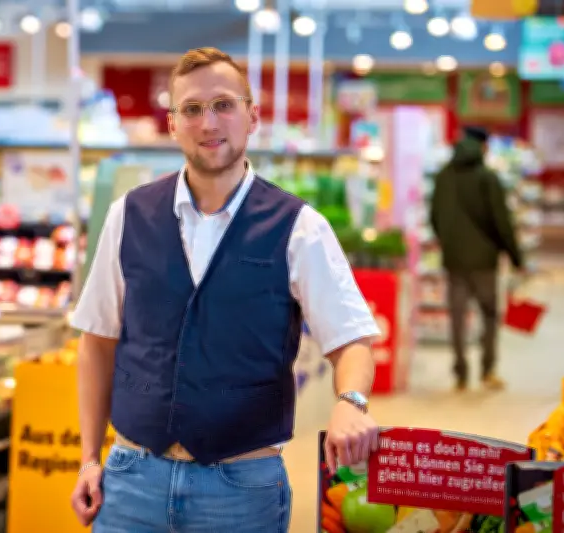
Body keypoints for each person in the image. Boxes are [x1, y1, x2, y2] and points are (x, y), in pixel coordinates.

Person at [69, 47, 381, 532]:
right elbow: (97, 341)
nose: (208, 122)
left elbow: (352, 339)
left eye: (223, 105)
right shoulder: (128, 215)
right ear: (173, 124)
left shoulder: (300, 227)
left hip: (241, 489)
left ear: (252, 116)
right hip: (131, 481)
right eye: (192, 109)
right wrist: (90, 458)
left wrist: (351, 402)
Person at [430, 126, 524, 393]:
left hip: (454, 260)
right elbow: (501, 221)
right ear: (483, 146)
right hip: (484, 261)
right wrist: (515, 256)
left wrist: (448, 242)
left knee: (457, 318)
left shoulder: (443, 176)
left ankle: (460, 375)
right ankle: (488, 371)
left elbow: (434, 216)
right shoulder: (488, 178)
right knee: (490, 315)